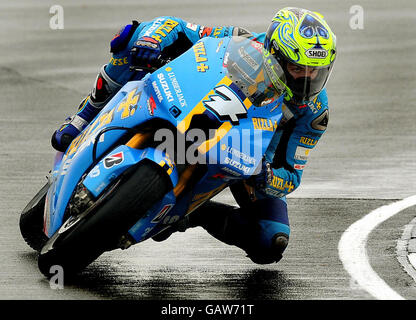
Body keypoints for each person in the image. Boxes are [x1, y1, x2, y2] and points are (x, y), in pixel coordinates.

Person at [51, 7, 336, 264]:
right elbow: (174, 26)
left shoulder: (314, 112)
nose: (306, 79)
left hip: (248, 157)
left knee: (271, 241)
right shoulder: (241, 40)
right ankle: (85, 115)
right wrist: (152, 40)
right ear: (273, 51)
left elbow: (291, 174)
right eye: (297, 68)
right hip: (192, 108)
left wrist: (269, 178)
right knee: (132, 36)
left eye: (316, 72)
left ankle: (191, 214)